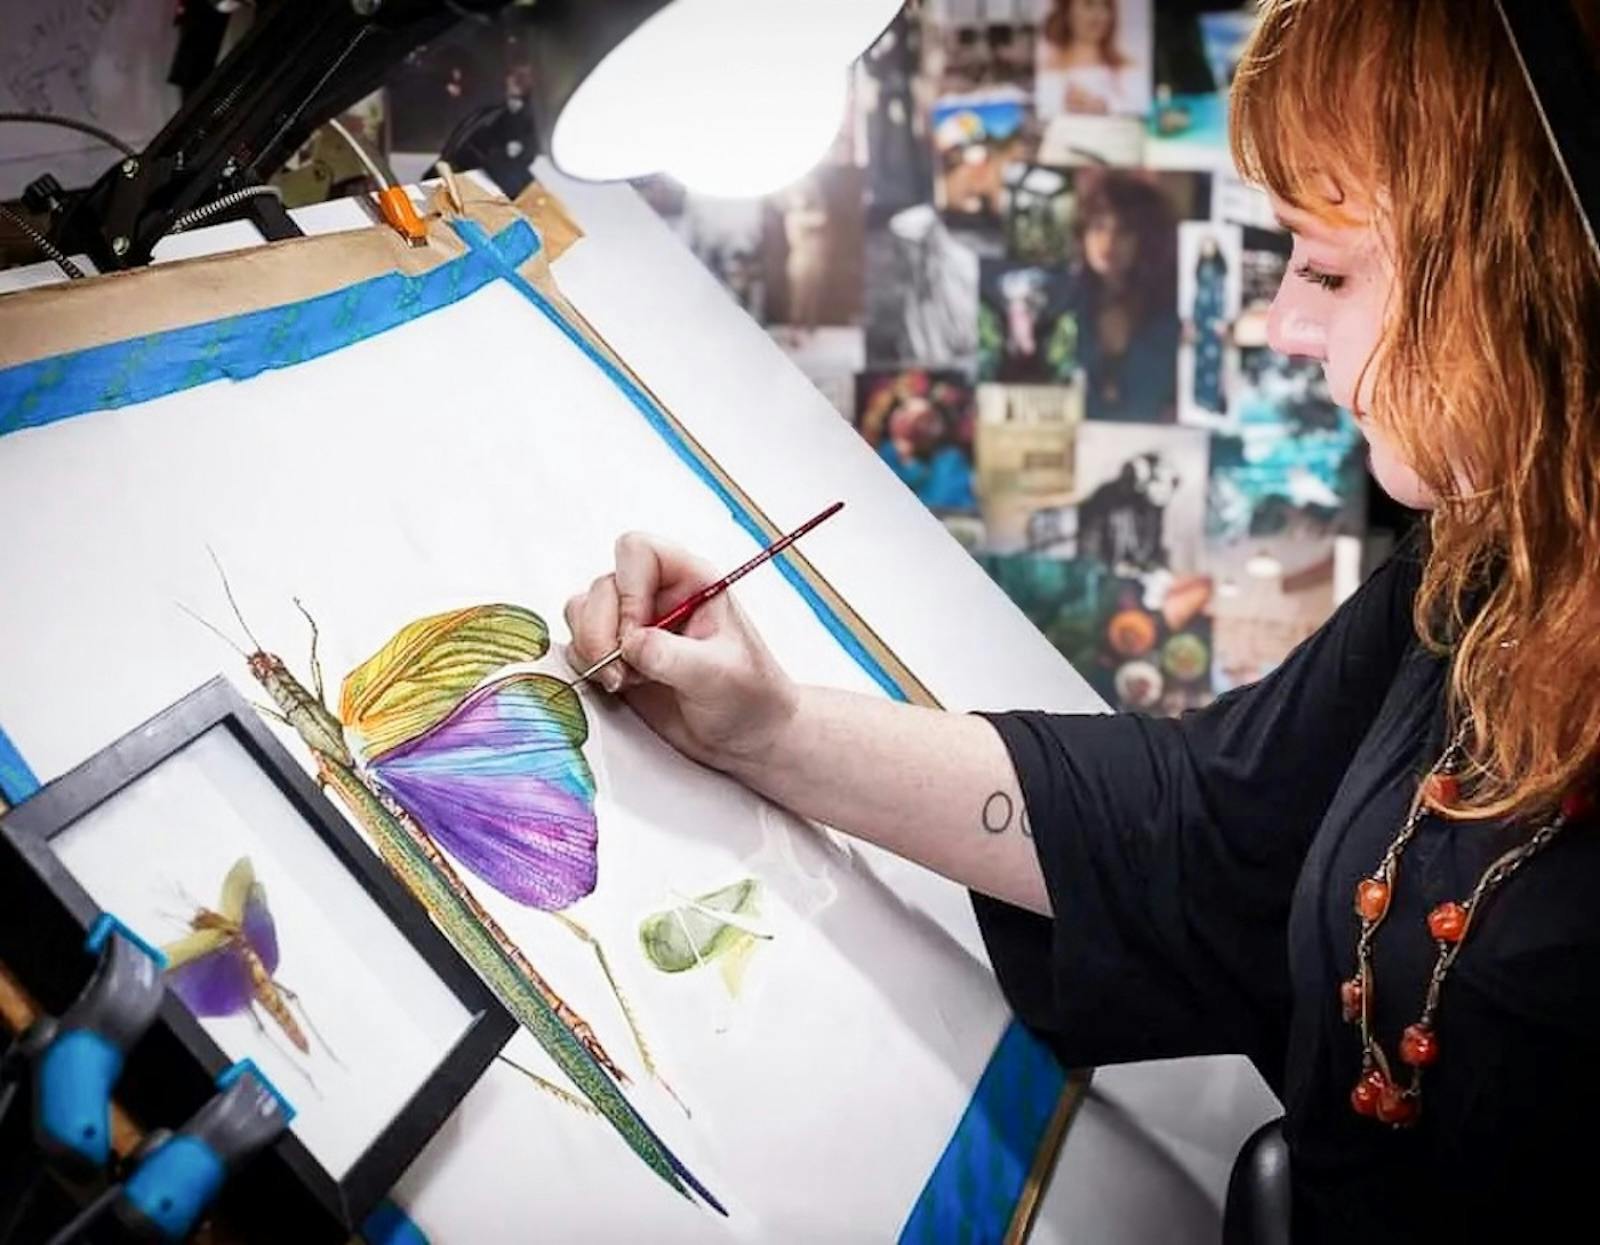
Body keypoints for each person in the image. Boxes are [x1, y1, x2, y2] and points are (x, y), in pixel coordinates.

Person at [563, 1, 1600, 1238]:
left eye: (1327, 268)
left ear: (1541, 277)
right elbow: (1206, 826)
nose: (1285, 324)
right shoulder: (1497, 563)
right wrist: (769, 730)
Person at [1074, 171, 1180, 421]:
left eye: (1124, 231)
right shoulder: (1068, 300)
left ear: (1146, 238)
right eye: (1099, 227)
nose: (1108, 242)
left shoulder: (1171, 310)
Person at [1036, 0, 1140, 117]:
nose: (1099, 14)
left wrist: (1103, 106)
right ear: (1067, 11)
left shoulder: (1127, 67)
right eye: (1089, 4)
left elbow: (1138, 109)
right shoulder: (1048, 67)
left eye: (1105, 6)